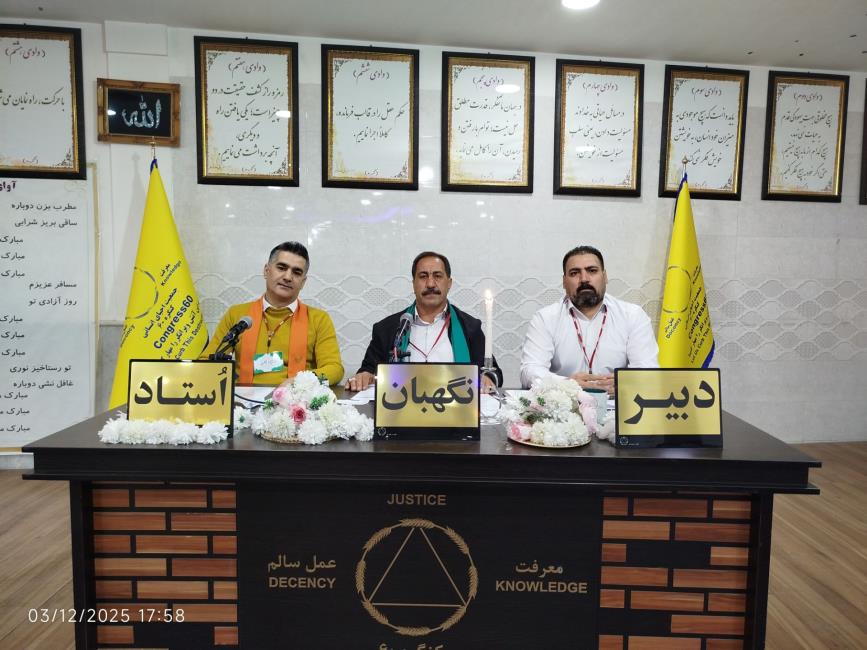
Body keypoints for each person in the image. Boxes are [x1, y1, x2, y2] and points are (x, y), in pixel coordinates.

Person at [346, 251, 502, 392]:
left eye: (437, 276)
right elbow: (367, 370)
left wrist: (487, 378)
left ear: (449, 283)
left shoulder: (470, 328)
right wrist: (364, 376)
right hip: (401, 410)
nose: (431, 284)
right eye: (423, 276)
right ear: (413, 284)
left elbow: (494, 374)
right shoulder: (387, 329)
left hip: (456, 410)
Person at [201, 241, 344, 385]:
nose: (288, 277)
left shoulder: (318, 319)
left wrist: (300, 382)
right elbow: (207, 361)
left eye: (296, 272)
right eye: (281, 268)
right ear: (266, 270)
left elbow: (334, 369)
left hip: (294, 396)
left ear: (303, 282)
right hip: (243, 396)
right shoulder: (238, 315)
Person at [520, 245, 658, 393]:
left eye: (592, 271)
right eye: (574, 273)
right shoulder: (545, 318)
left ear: (605, 277)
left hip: (616, 402)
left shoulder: (632, 315)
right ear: (564, 281)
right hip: (565, 402)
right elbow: (530, 371)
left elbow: (647, 370)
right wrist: (567, 384)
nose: (584, 279)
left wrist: (625, 382)